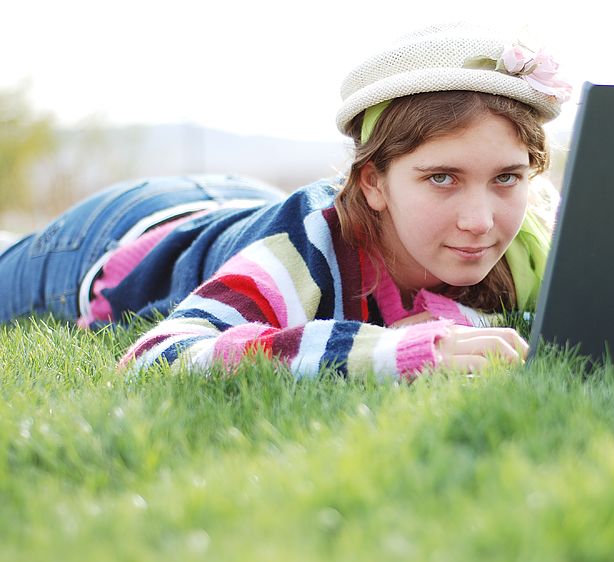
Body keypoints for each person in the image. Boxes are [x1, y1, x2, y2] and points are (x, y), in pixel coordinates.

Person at [0, 23, 571, 378]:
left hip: (246, 201)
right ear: (372, 181)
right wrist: (392, 352)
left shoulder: (530, 248)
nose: (481, 221)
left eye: (506, 178)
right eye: (442, 178)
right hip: (118, 235)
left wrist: (461, 318)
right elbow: (157, 356)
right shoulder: (308, 246)